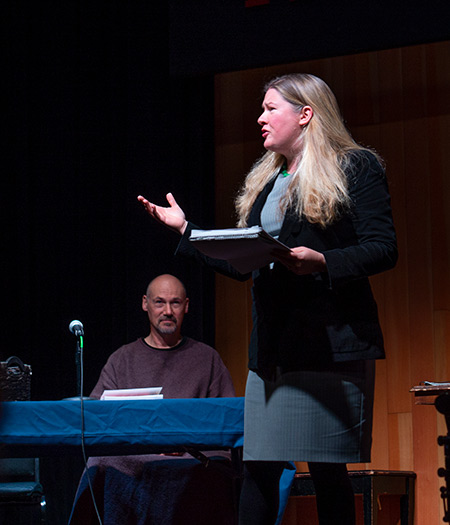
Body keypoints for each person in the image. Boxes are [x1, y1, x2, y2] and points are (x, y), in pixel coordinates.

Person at [137, 73, 398, 525]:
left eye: (270, 108)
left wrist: (322, 260)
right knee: (258, 467)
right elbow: (242, 260)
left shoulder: (355, 166)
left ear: (305, 114)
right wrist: (186, 229)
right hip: (275, 349)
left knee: (328, 471)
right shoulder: (268, 179)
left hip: (329, 346)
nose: (260, 118)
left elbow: (383, 247)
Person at [69, 274, 236, 525]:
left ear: (187, 306)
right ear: (145, 304)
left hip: (191, 456)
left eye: (175, 303)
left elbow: (226, 423)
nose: (167, 311)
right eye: (159, 302)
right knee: (99, 463)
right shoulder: (121, 359)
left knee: (216, 471)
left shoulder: (207, 358)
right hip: (134, 456)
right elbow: (99, 421)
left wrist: (182, 442)